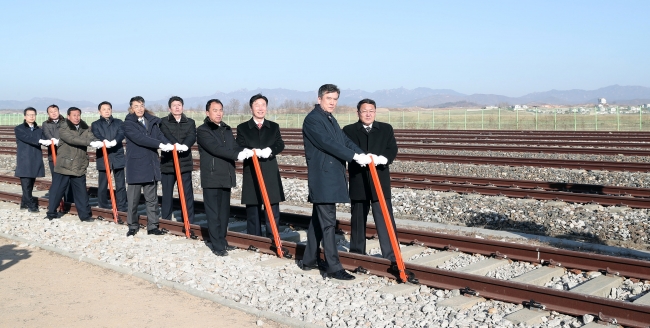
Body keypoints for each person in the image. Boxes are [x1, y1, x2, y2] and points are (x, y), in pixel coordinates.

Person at [300, 84, 371, 280]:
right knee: (329, 223)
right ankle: (333, 266)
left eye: (335, 99)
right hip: (323, 177)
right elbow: (328, 143)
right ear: (319, 98)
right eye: (329, 98)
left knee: (319, 219)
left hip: (331, 175)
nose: (332, 102)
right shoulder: (313, 120)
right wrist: (353, 157)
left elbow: (343, 140)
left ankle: (308, 260)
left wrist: (363, 154)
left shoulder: (329, 119)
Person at [343, 99, 399, 262]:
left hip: (380, 180)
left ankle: (391, 254)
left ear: (375, 112)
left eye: (371, 111)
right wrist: (355, 158)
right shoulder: (349, 130)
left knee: (385, 217)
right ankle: (357, 252)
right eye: (364, 111)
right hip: (358, 180)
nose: (368, 114)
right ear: (358, 113)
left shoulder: (386, 129)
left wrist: (383, 159)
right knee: (358, 218)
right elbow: (344, 149)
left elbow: (392, 148)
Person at [197, 99, 252, 256]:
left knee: (223, 212)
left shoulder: (226, 129)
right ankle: (216, 244)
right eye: (215, 110)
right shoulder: (203, 130)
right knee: (213, 212)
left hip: (226, 175)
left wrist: (248, 150)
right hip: (212, 176)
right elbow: (216, 149)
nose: (219, 113)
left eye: (220, 110)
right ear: (207, 113)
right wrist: (237, 155)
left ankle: (222, 240)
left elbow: (234, 146)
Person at [235, 93, 285, 237]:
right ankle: (254, 238)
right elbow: (239, 144)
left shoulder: (274, 126)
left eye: (263, 105)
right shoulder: (243, 127)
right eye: (257, 105)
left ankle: (273, 236)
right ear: (251, 108)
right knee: (253, 206)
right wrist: (249, 151)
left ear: (266, 108)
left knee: (273, 206)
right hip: (251, 170)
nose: (260, 108)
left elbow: (280, 144)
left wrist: (270, 150)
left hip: (270, 169)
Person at [122, 96, 173, 237]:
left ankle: (153, 226)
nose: (139, 108)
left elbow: (160, 136)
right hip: (136, 166)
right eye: (136, 106)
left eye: (141, 105)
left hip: (151, 164)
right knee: (133, 199)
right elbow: (140, 138)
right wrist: (159, 145)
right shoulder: (128, 124)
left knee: (152, 199)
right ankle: (132, 225)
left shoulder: (151, 121)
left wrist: (169, 144)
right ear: (131, 108)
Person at [45, 107, 101, 221]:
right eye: (74, 115)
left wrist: (97, 140)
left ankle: (85, 216)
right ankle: (51, 213)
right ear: (68, 116)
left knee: (81, 192)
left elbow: (90, 136)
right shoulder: (63, 127)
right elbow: (72, 139)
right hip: (65, 164)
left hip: (79, 164)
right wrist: (90, 142)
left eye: (78, 115)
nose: (76, 117)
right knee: (58, 190)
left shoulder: (84, 128)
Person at [159, 96, 196, 224]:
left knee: (186, 195)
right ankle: (166, 220)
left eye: (179, 105)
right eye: (174, 105)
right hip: (168, 163)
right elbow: (165, 134)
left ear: (182, 107)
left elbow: (192, 135)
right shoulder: (163, 122)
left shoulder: (190, 122)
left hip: (184, 163)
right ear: (169, 108)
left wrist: (185, 145)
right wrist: (175, 145)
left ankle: (189, 221)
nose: (177, 107)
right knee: (167, 194)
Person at [90, 101, 128, 212]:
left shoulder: (119, 122)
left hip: (117, 154)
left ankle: (122, 205)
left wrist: (115, 141)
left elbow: (121, 133)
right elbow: (96, 134)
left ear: (111, 110)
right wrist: (103, 140)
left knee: (120, 183)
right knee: (103, 183)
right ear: (99, 111)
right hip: (103, 155)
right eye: (104, 109)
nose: (107, 111)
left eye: (108, 109)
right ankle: (103, 205)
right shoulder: (96, 124)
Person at [15, 107, 48, 212]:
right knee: (26, 184)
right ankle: (31, 205)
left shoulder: (39, 129)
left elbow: (45, 139)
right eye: (29, 115)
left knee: (31, 183)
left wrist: (51, 141)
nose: (31, 116)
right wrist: (40, 140)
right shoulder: (19, 129)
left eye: (33, 114)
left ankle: (24, 203)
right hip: (24, 160)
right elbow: (27, 138)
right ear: (25, 116)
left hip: (35, 159)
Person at [42, 104, 73, 211]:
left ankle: (69, 202)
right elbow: (47, 134)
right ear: (48, 114)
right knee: (57, 180)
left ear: (59, 111)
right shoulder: (46, 124)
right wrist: (53, 140)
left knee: (68, 179)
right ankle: (56, 203)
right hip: (53, 156)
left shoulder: (66, 122)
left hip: (67, 155)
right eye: (51, 111)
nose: (54, 113)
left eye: (55, 111)